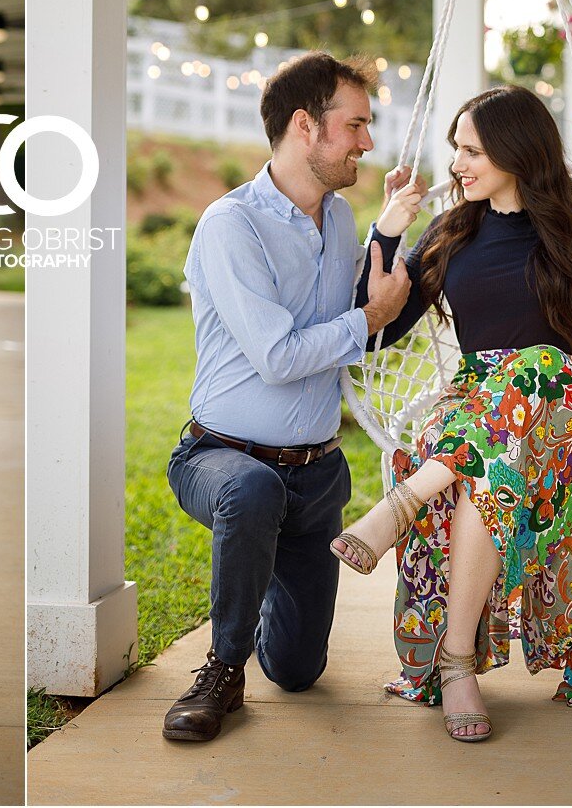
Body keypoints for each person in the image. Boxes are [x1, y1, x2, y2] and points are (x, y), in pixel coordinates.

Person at [339, 86, 572, 742]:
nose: (456, 164)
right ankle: (458, 660)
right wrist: (387, 232)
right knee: (487, 470)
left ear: (516, 151)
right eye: (456, 147)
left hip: (563, 416)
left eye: (470, 149)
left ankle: (402, 504)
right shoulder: (452, 231)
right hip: (473, 414)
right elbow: (381, 327)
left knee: (539, 363)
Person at [161, 53, 414, 743]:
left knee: (300, 671)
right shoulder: (230, 224)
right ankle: (220, 669)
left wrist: (391, 233)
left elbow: (363, 311)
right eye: (354, 124)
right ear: (305, 125)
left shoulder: (340, 220)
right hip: (221, 457)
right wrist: (367, 319)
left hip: (315, 474)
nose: (366, 140)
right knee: (251, 493)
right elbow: (279, 356)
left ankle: (267, 573)